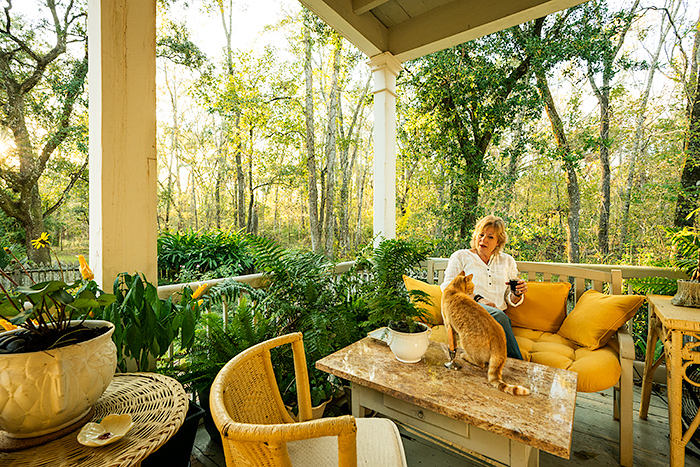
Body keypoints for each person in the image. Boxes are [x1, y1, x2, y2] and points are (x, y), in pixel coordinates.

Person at [440, 215, 527, 360]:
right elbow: (448, 289)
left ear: (498, 241)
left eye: (490, 237)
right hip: (468, 312)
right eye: (481, 235)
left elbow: (509, 298)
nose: (483, 240)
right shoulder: (461, 256)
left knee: (498, 316)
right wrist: (479, 300)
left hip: (497, 318)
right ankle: (519, 365)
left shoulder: (508, 261)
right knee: (498, 317)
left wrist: (517, 293)